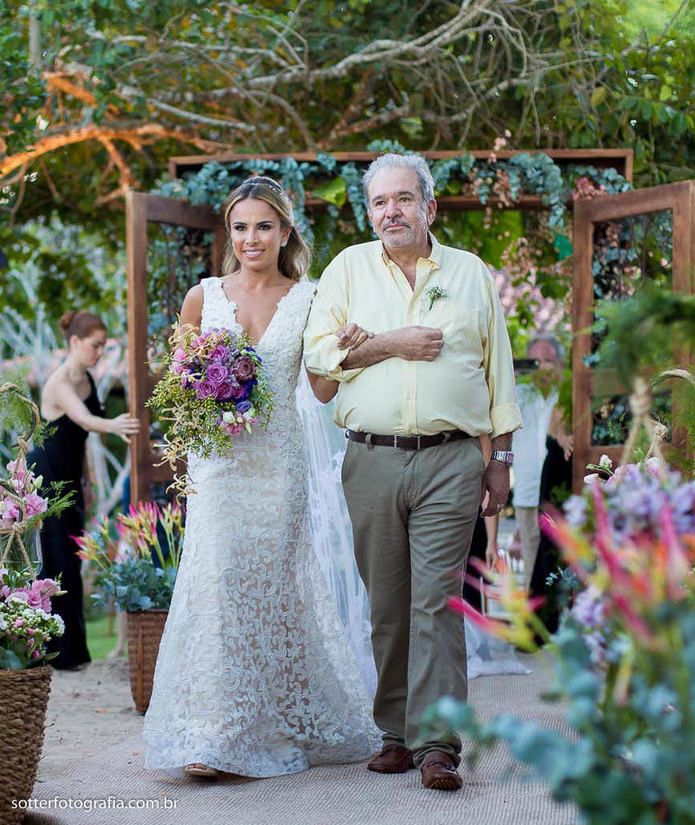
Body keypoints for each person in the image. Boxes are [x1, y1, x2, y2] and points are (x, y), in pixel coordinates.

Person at [144, 176, 380, 779]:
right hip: (219, 468)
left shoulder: (311, 297)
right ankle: (213, 734)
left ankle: (273, 718)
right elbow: (176, 388)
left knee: (273, 590)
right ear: (230, 233)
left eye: (264, 226)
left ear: (285, 231)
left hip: (279, 467)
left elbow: (323, 391)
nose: (252, 238)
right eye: (241, 227)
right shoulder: (203, 298)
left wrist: (351, 348)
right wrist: (205, 400)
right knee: (217, 583)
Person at [304, 152, 522, 792]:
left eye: (403, 199)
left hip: (453, 458)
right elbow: (320, 362)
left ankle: (437, 743)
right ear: (368, 211)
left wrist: (500, 458)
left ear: (429, 207)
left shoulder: (470, 274)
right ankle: (395, 734)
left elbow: (498, 367)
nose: (391, 211)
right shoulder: (346, 269)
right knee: (388, 604)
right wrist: (390, 344)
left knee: (436, 599)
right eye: (379, 202)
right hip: (369, 456)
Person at [28, 311, 138, 670]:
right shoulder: (58, 382)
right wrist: (117, 424)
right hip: (48, 481)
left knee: (71, 563)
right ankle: (53, 654)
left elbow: (83, 438)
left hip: (72, 479)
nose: (98, 354)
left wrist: (88, 480)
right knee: (54, 564)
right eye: (94, 346)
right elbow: (84, 419)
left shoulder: (88, 377)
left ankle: (73, 653)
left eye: (102, 348)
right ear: (74, 342)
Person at [512, 333, 568, 587]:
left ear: (561, 364)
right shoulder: (519, 395)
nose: (543, 366)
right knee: (532, 569)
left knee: (561, 564)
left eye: (549, 360)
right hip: (527, 494)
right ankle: (534, 624)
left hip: (559, 494)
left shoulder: (567, 398)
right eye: (536, 361)